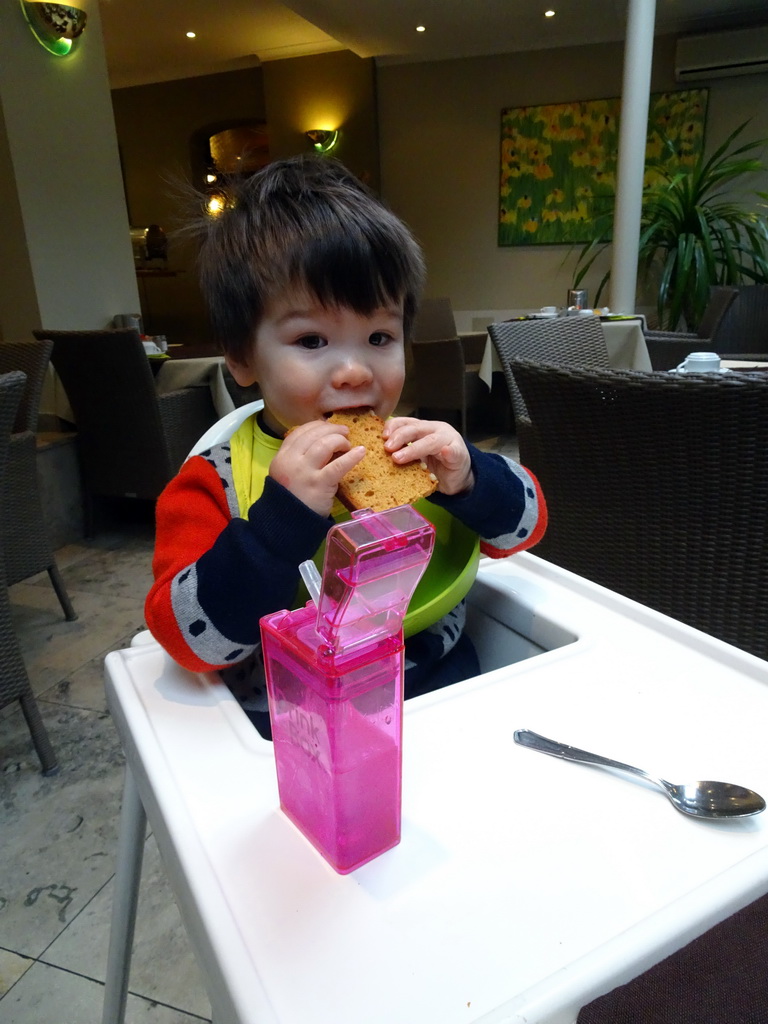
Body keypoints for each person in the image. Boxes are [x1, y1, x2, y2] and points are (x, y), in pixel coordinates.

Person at [145, 155, 547, 737]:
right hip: (299, 728)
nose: (356, 371)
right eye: (312, 339)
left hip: (449, 697)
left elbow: (526, 528)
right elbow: (186, 639)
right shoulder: (217, 481)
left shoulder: (419, 452)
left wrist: (472, 480)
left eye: (380, 336)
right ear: (240, 358)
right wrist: (277, 528)